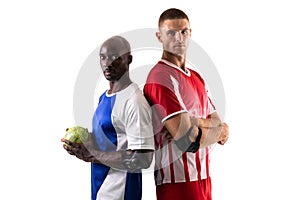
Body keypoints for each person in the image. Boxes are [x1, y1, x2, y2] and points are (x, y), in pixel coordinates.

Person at [143, 8, 229, 200]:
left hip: (204, 177)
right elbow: (186, 140)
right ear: (159, 37)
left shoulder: (197, 77)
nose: (179, 38)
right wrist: (216, 130)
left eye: (183, 32)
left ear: (190, 33)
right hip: (177, 182)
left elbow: (220, 126)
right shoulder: (160, 77)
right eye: (171, 33)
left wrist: (196, 123)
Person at [62, 36, 155, 200]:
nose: (107, 63)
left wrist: (91, 154)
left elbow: (142, 158)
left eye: (115, 57)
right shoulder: (103, 97)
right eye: (103, 57)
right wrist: (83, 142)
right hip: (100, 191)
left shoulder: (134, 101)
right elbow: (110, 138)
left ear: (129, 59)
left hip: (121, 193)